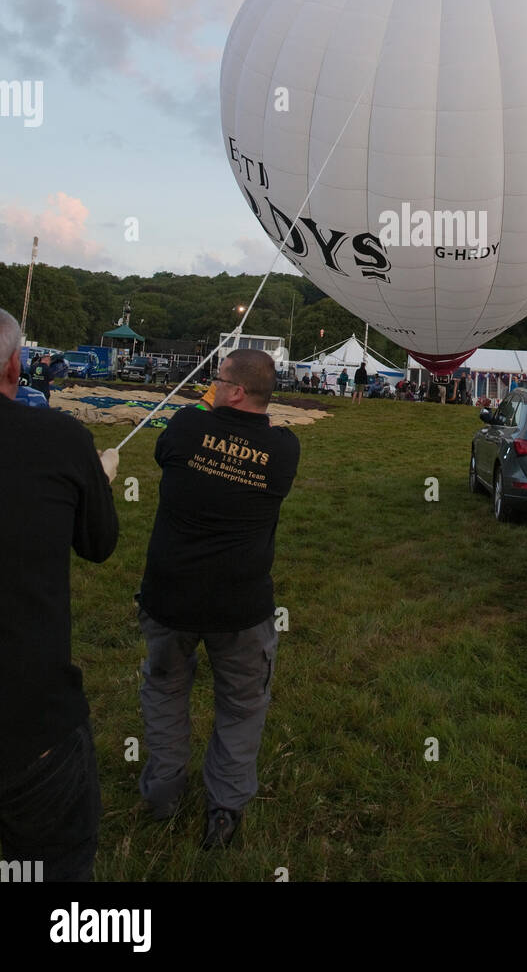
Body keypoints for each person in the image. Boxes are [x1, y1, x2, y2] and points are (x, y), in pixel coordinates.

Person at [137, 349, 300, 850]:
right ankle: (225, 810)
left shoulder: (186, 427)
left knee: (165, 694)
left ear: (233, 392)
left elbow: (168, 450)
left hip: (171, 598)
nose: (209, 385)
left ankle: (162, 796)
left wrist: (209, 413)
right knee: (242, 707)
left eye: (218, 378)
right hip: (240, 607)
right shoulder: (284, 450)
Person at [0, 308, 119, 882]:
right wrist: (95, 481)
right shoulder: (59, 438)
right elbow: (99, 543)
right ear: (15, 366)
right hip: (30, 724)